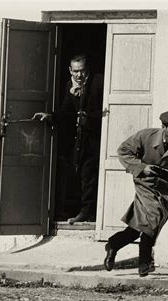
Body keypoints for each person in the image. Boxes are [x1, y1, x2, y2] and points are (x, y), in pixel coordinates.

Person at [103, 111, 168, 277]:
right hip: (145, 184)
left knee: (140, 225)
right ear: (163, 127)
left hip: (167, 189)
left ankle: (113, 244)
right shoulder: (145, 136)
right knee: (154, 217)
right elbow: (124, 150)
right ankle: (144, 263)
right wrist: (142, 168)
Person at [33, 54, 103, 224]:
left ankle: (88, 213)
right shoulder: (69, 86)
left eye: (83, 71)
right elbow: (67, 110)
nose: (79, 76)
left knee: (89, 175)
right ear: (70, 70)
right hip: (79, 139)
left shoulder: (99, 82)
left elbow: (104, 110)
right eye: (76, 72)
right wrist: (50, 116)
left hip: (97, 137)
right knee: (78, 175)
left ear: (88, 70)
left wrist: (90, 118)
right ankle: (78, 211)